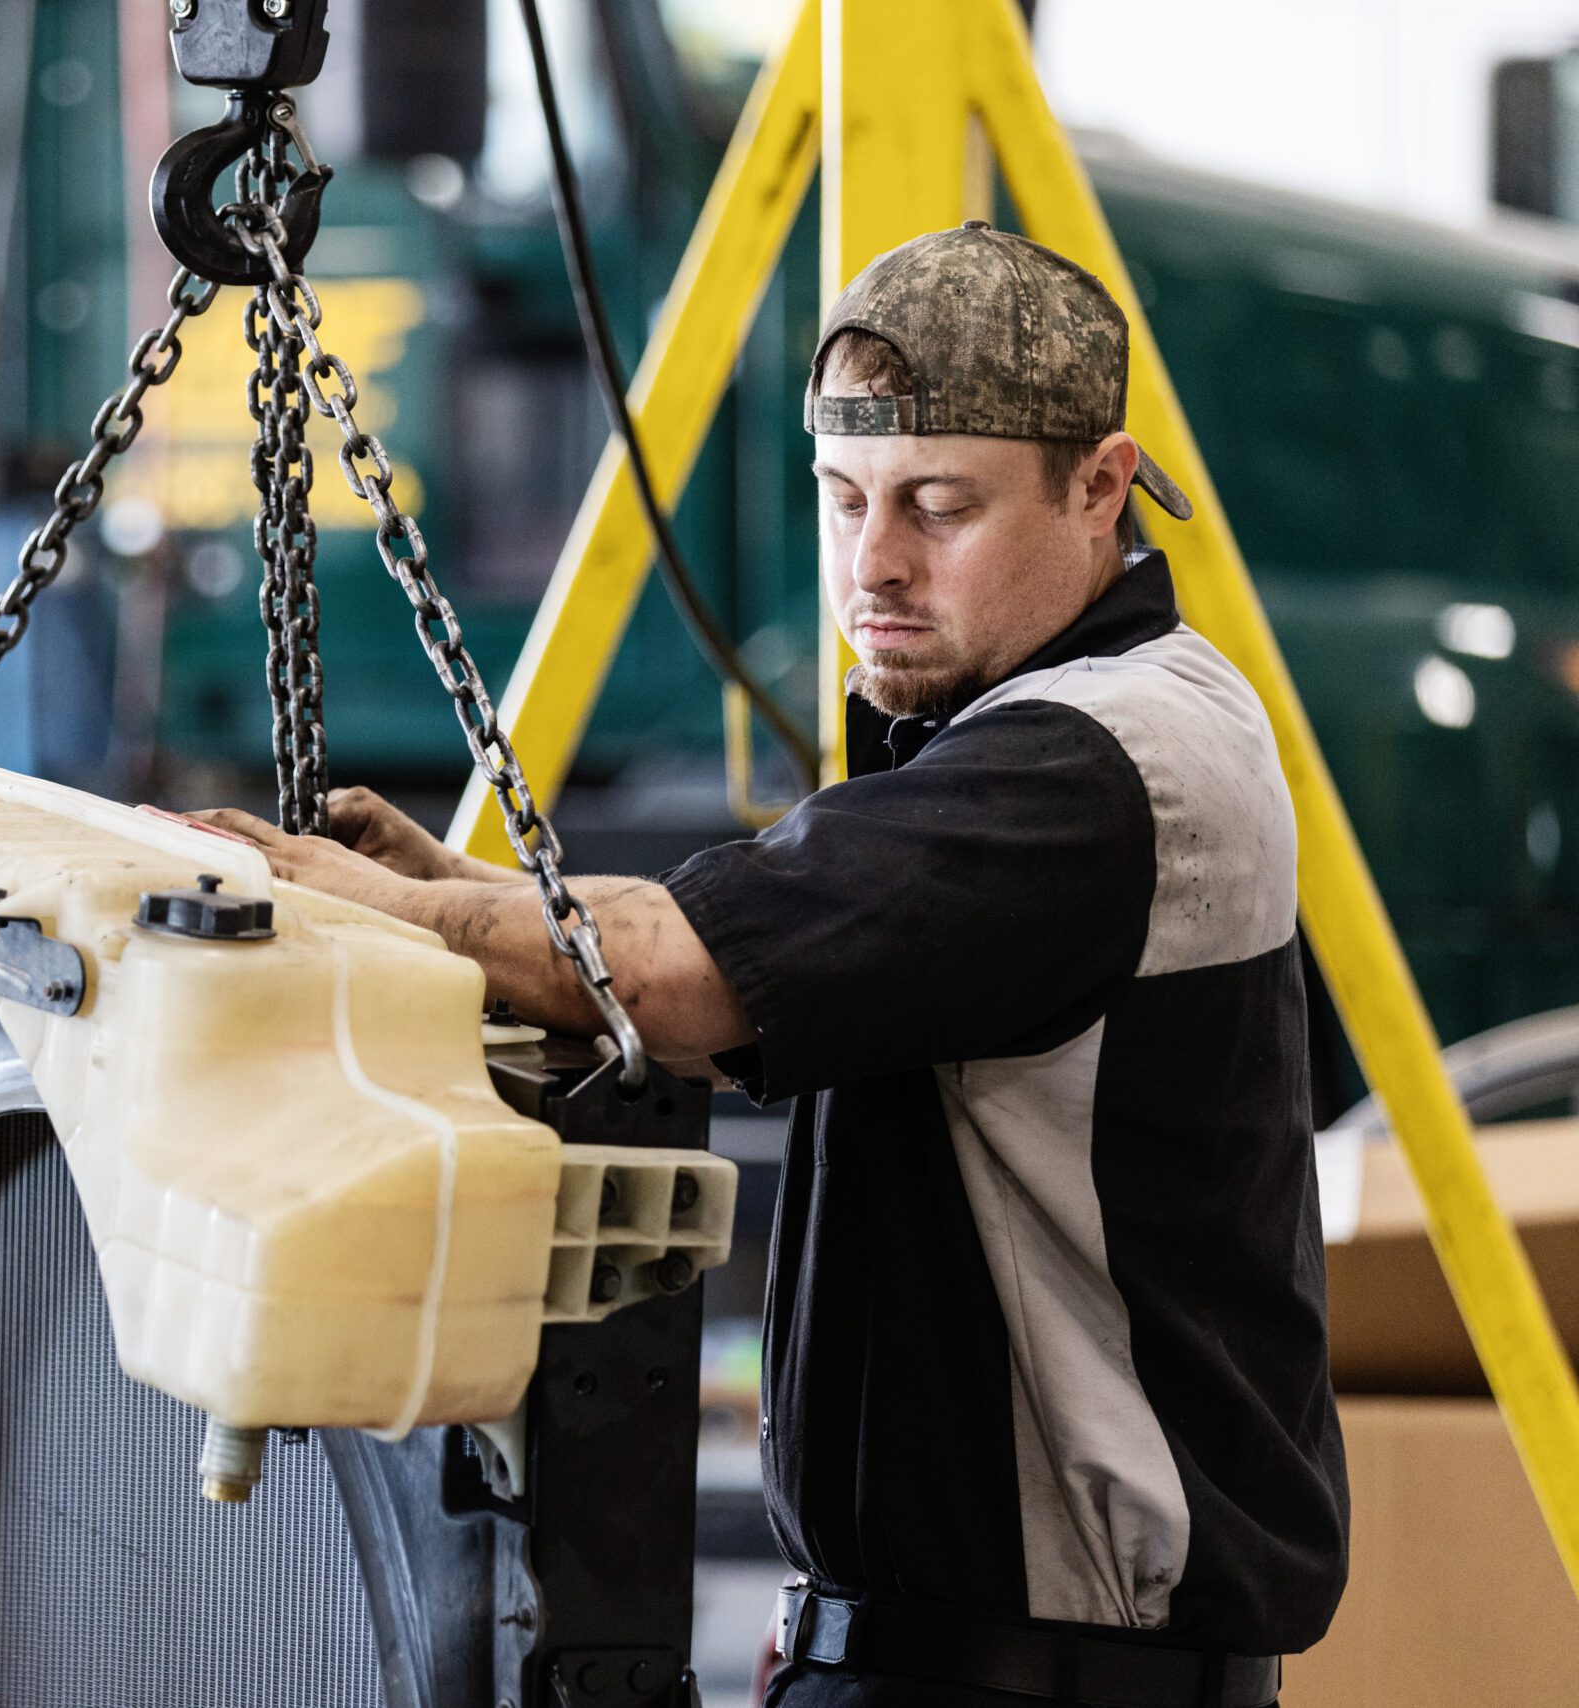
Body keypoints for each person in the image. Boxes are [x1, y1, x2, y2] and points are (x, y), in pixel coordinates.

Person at [193, 223, 1346, 1708]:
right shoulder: (1045, 726)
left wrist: (347, 902)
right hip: (942, 1656)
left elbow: (679, 975)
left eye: (940, 506)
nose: (875, 563)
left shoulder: (1101, 763)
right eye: (845, 497)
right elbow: (751, 920)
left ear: (1102, 486)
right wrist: (464, 891)